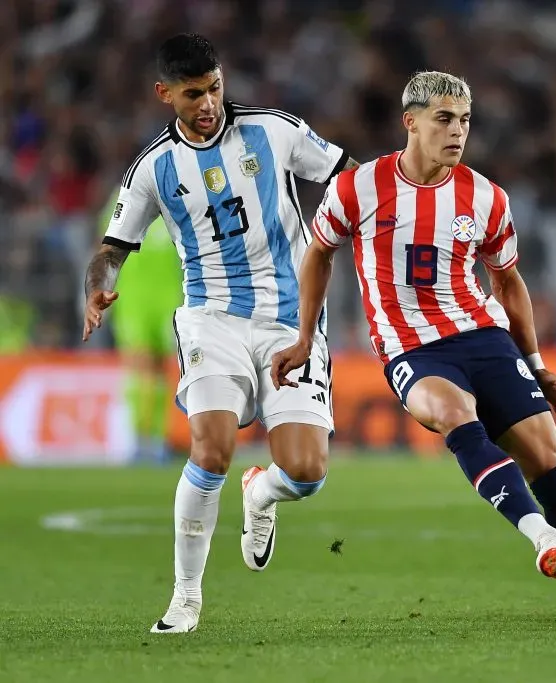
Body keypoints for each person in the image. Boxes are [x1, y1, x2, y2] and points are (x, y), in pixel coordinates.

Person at [271, 71, 556, 631]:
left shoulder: (486, 197)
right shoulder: (356, 188)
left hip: (482, 336)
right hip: (410, 347)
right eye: (444, 119)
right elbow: (318, 255)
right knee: (452, 413)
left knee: (548, 464)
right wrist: (304, 336)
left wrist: (538, 366)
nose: (457, 131)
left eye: (465, 120)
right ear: (410, 122)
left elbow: (508, 282)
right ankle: (539, 536)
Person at [82, 33, 357, 633]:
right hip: (212, 319)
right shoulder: (153, 168)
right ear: (165, 95)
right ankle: (186, 596)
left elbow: (348, 176)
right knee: (210, 448)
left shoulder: (277, 131)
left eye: (213, 88)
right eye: (192, 94)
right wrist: (97, 287)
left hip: (291, 316)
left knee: (307, 473)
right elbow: (111, 248)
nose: (207, 103)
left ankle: (262, 495)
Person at [98, 191, 182, 463]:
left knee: (161, 371)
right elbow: (107, 249)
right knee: (140, 366)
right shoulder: (121, 200)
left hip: (169, 298)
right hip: (132, 298)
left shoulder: (177, 199)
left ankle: (156, 439)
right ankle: (138, 437)